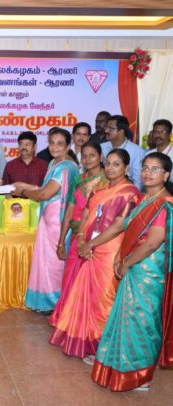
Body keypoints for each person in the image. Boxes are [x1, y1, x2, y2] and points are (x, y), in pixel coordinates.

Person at [92, 152, 173, 391]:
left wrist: (126, 263)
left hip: (149, 272)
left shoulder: (164, 203)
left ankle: (140, 375)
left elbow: (153, 242)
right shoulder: (143, 199)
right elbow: (128, 231)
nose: (148, 172)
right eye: (145, 167)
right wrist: (120, 256)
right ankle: (121, 367)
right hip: (132, 264)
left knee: (143, 321)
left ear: (166, 175)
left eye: (155, 169)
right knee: (127, 318)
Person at [50, 149, 140, 361]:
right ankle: (86, 340)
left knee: (104, 297)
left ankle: (103, 347)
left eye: (116, 164)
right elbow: (86, 214)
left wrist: (90, 244)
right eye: (108, 163)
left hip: (110, 249)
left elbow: (119, 225)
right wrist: (82, 239)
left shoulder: (131, 193)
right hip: (89, 246)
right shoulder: (99, 188)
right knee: (87, 296)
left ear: (126, 168)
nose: (110, 168)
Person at [15, 128, 80, 314]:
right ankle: (44, 301)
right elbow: (46, 188)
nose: (55, 147)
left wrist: (23, 192)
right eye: (52, 142)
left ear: (68, 146)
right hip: (48, 219)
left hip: (59, 222)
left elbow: (45, 194)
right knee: (45, 262)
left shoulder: (67, 167)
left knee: (54, 264)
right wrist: (28, 186)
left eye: (60, 143)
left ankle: (54, 302)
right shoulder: (54, 162)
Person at [50, 141, 106, 326]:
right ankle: (67, 320)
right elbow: (69, 211)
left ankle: (84, 324)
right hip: (76, 236)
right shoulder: (78, 179)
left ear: (100, 157)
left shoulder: (106, 181)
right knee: (70, 279)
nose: (88, 159)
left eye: (92, 155)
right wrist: (61, 241)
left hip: (95, 240)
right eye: (85, 156)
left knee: (88, 284)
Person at [101, 115, 146, 189]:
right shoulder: (101, 147)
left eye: (111, 128)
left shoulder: (137, 151)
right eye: (106, 127)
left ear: (121, 131)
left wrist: (131, 195)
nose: (106, 131)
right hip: (104, 189)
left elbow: (138, 180)